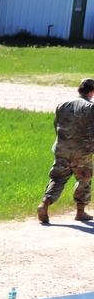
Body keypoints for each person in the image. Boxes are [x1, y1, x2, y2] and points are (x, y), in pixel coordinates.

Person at [37, 78, 94, 224]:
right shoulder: (90, 107)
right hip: (82, 151)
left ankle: (44, 203)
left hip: (62, 149)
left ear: (79, 90)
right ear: (92, 92)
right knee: (84, 179)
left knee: (58, 178)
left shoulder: (63, 104)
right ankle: (80, 212)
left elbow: (56, 125)